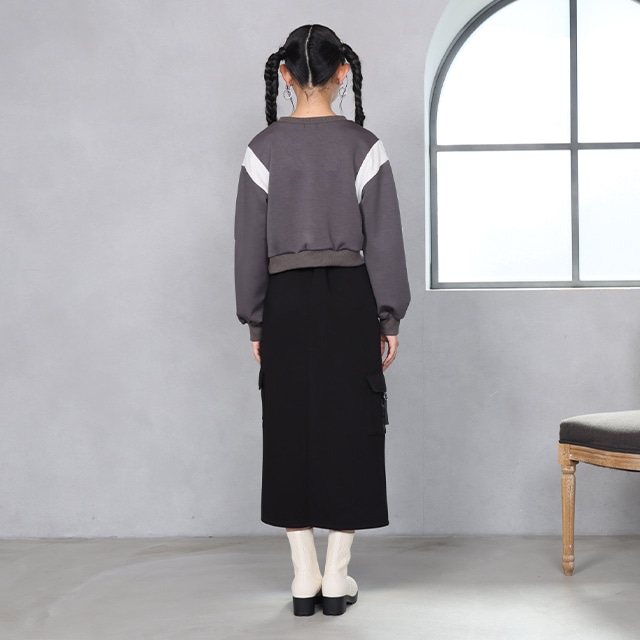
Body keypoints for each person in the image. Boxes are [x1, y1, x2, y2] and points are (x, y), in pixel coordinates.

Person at [234, 24, 410, 616]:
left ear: (285, 74)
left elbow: (247, 245)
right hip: (350, 299)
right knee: (351, 425)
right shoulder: (364, 146)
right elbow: (385, 240)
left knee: (288, 426)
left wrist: (257, 321)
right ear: (343, 73)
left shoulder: (262, 149)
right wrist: (388, 317)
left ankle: (303, 576)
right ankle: (337, 576)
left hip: (284, 301)